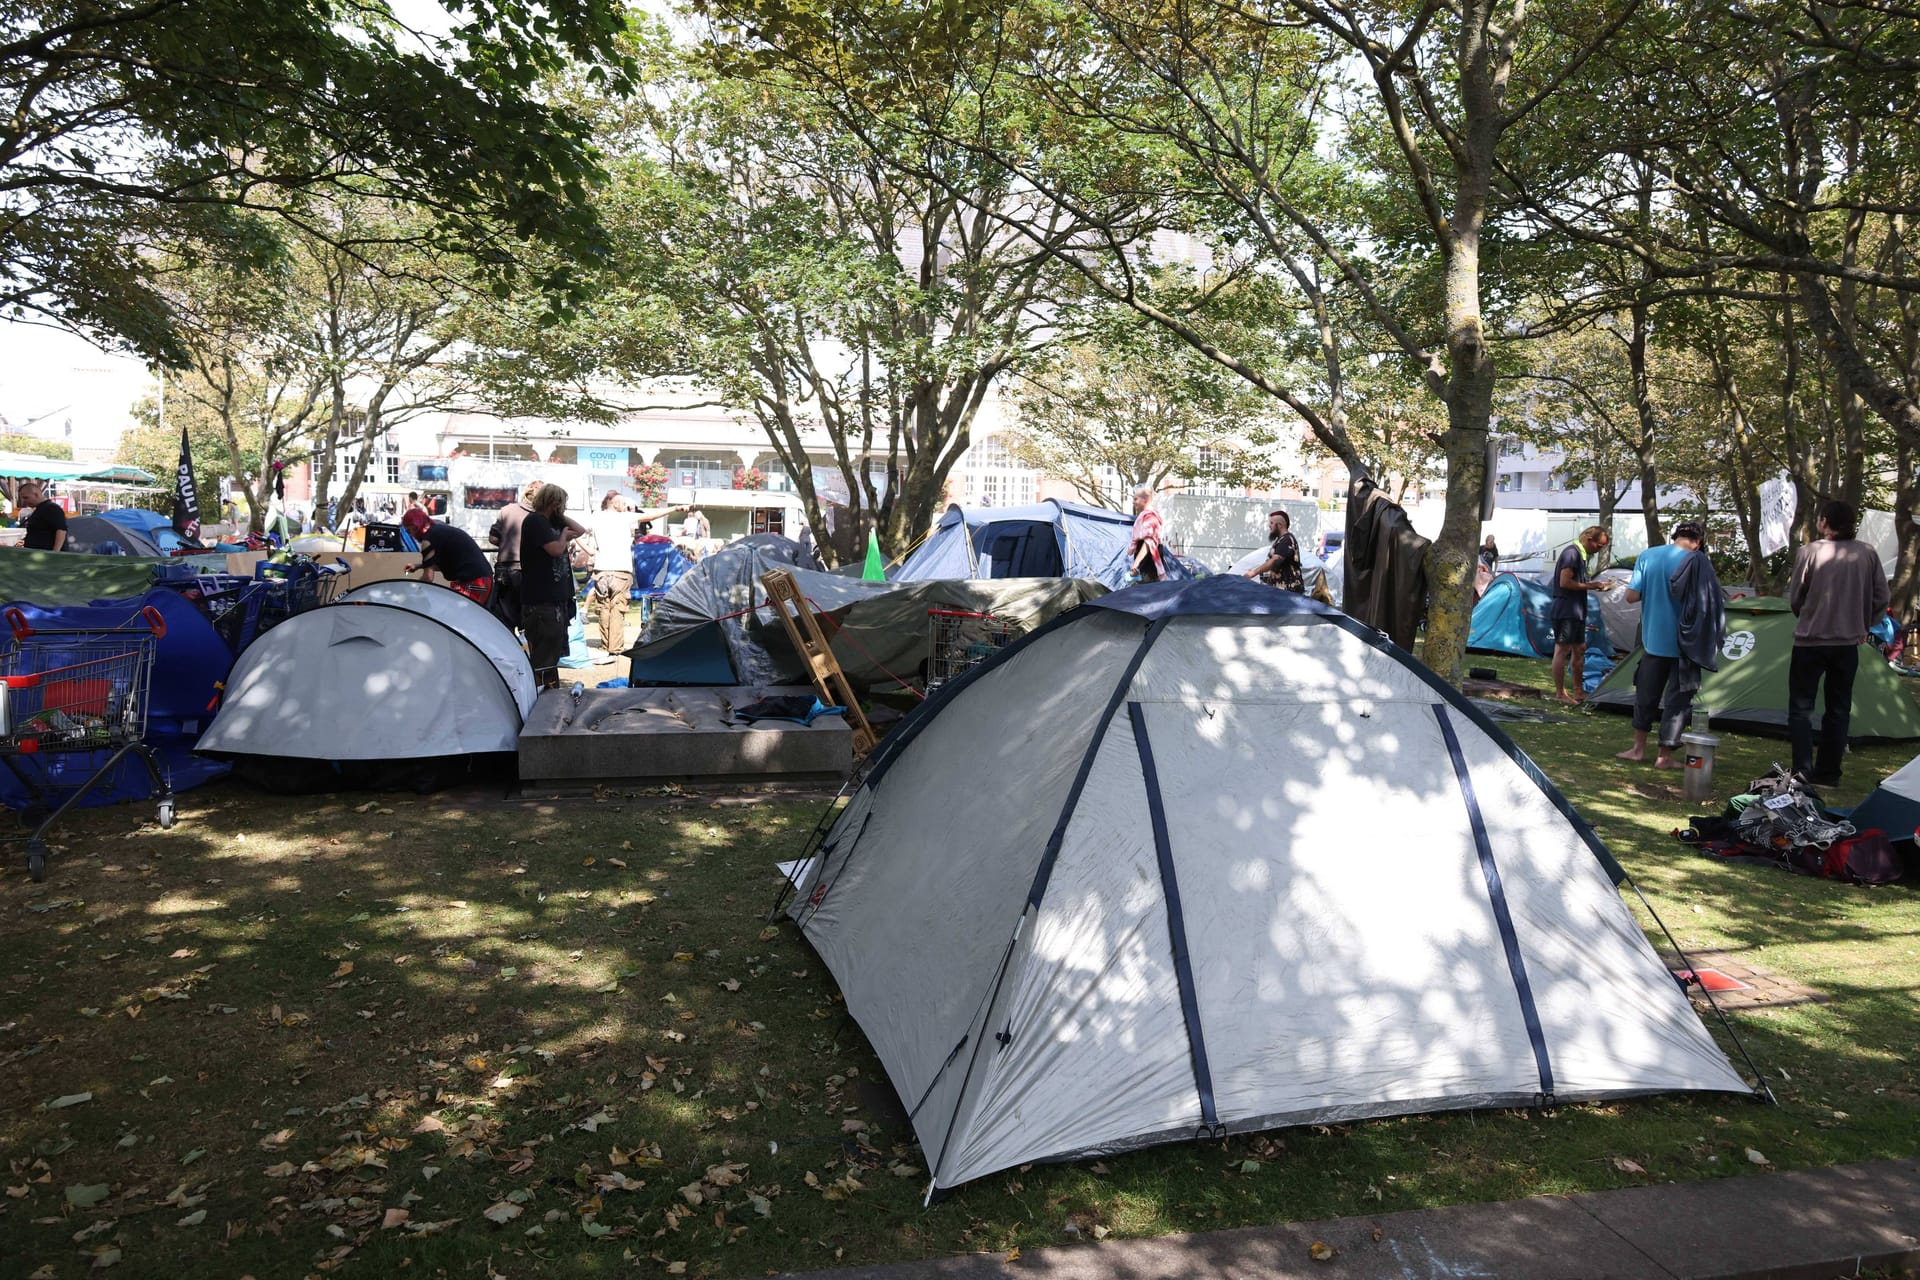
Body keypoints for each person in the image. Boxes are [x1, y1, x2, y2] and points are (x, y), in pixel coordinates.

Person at [1787, 500, 1889, 787]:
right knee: (1839, 708)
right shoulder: (1867, 553)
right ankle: (1829, 774)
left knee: (1801, 709)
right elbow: (1882, 596)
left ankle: (1802, 772)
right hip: (1847, 643)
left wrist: (1807, 615)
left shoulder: (1810, 552)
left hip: (1810, 641)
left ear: (1823, 522)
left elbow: (1796, 596)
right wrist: (1863, 624)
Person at [1616, 522, 1710, 769]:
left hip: (1653, 641)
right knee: (1678, 702)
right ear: (1698, 542)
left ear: (1675, 536)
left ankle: (1637, 750)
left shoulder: (1648, 555)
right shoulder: (1698, 562)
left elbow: (1631, 596)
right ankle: (1664, 757)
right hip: (1686, 646)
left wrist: (1655, 591)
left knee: (1645, 696)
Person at [520, 483, 583, 687]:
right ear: (554, 503)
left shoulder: (550, 523)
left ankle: (549, 690)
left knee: (553, 651)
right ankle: (539, 692)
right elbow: (555, 550)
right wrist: (563, 536)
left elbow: (580, 530)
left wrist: (559, 517)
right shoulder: (536, 521)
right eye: (562, 504)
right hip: (541, 600)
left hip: (556, 599)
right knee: (544, 653)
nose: (564, 508)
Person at [1549, 525, 1612, 703]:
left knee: (1580, 648)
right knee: (1562, 649)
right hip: (1566, 610)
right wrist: (1592, 586)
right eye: (1599, 546)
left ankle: (1578, 691)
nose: (1599, 550)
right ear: (1589, 539)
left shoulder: (1581, 555)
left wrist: (1595, 585)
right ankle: (1560, 694)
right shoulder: (1572, 553)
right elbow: (1564, 582)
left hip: (1577, 610)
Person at [401, 508, 495, 606]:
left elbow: (428, 578)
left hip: (473, 581)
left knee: (456, 617)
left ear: (415, 526)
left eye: (409, 531)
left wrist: (411, 590)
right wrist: (418, 566)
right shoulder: (439, 531)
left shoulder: (428, 539)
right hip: (482, 578)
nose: (410, 535)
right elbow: (448, 563)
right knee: (455, 615)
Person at [587, 491, 640, 661]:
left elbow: (580, 532)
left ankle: (604, 644)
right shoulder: (624, 517)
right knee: (618, 608)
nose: (625, 507)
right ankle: (615, 647)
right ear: (615, 504)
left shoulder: (596, 516)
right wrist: (674, 508)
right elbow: (650, 515)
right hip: (621, 571)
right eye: (623, 504)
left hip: (601, 570)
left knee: (604, 608)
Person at [1244, 508, 1305, 591]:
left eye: (1272, 523)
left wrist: (1252, 573)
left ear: (1279, 525)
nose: (1269, 526)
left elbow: (1274, 561)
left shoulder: (1286, 540)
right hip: (1280, 591)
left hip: (1287, 592)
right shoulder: (1281, 539)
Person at [1127, 485, 1166, 583]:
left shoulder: (1150, 517)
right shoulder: (1145, 515)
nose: (1133, 502)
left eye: (1135, 499)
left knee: (1147, 593)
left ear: (1145, 499)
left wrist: (1136, 564)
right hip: (1145, 564)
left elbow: (1149, 543)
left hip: (1149, 564)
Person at [18, 480, 67, 551]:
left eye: (26, 497)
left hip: (47, 556)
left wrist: (55, 553)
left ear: (36, 494)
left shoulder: (52, 508)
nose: (24, 501)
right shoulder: (40, 509)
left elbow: (61, 530)